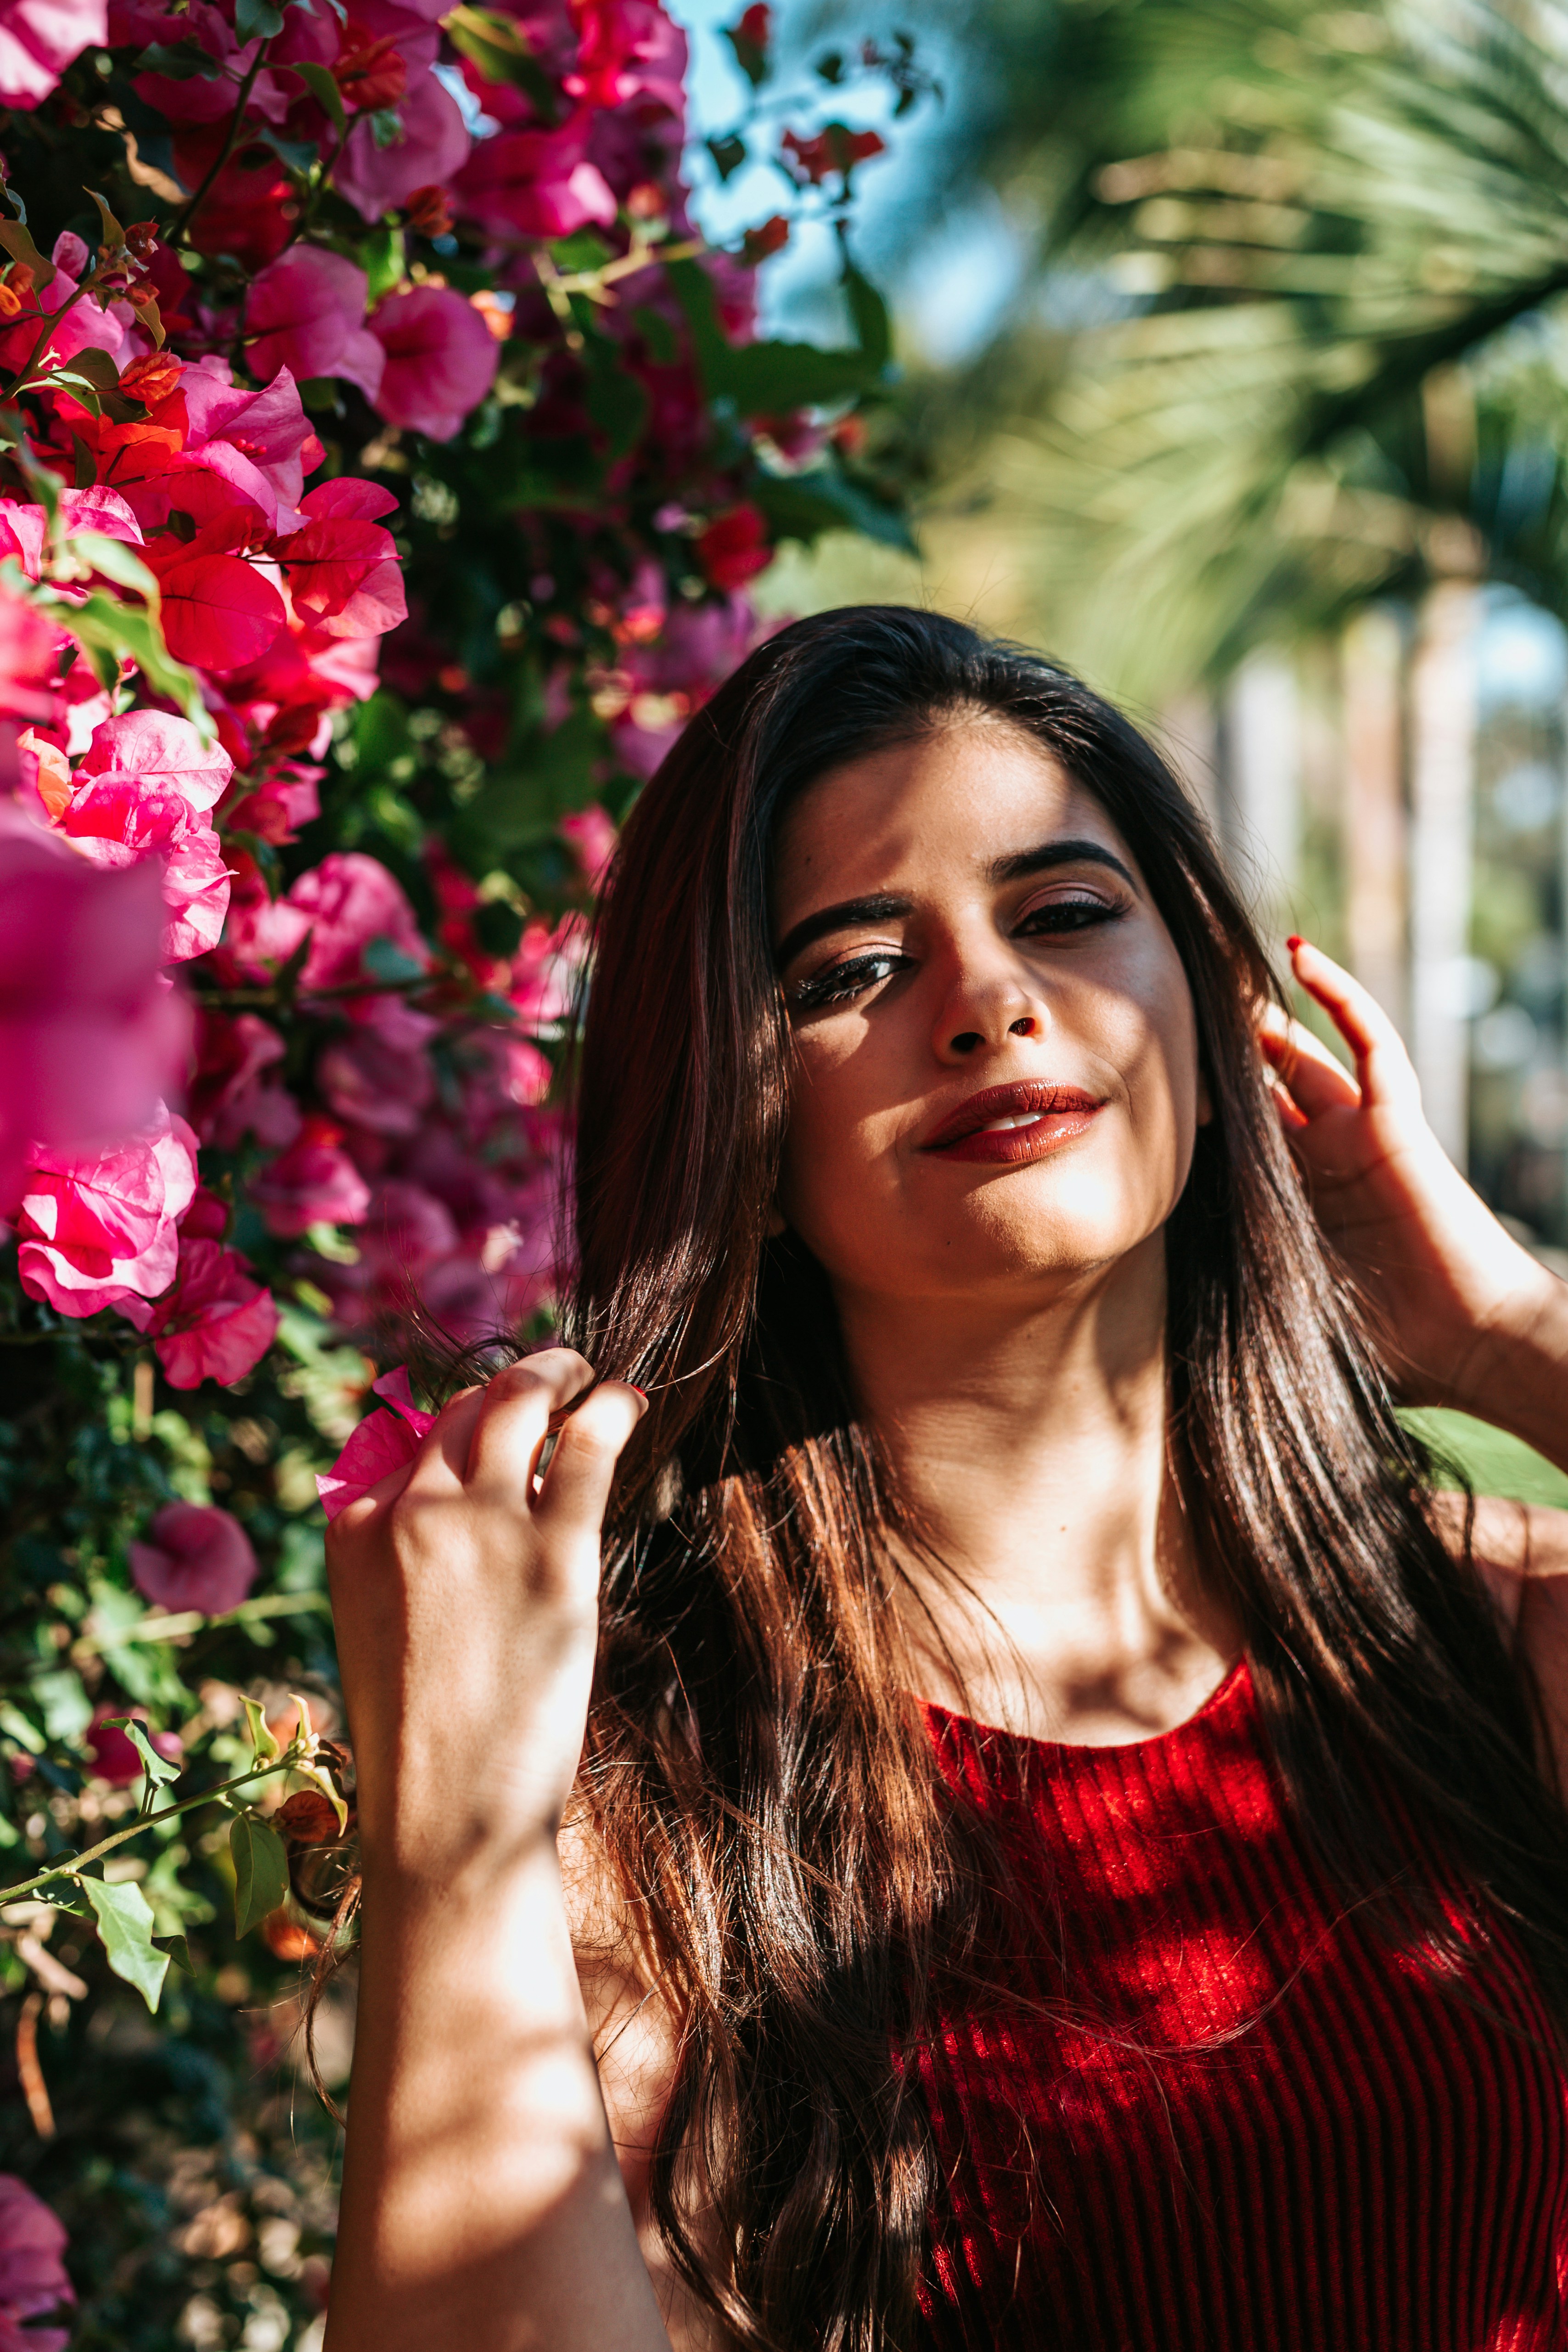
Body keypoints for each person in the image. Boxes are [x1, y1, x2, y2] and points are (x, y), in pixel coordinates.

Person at [321, 608, 1568, 2352]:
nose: (988, 1003)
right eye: (847, 970)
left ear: (1209, 1021)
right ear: (744, 1134)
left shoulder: (1488, 1631)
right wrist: (454, 1835)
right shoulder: (654, 1800)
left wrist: (1507, 1329)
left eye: (1065, 914)